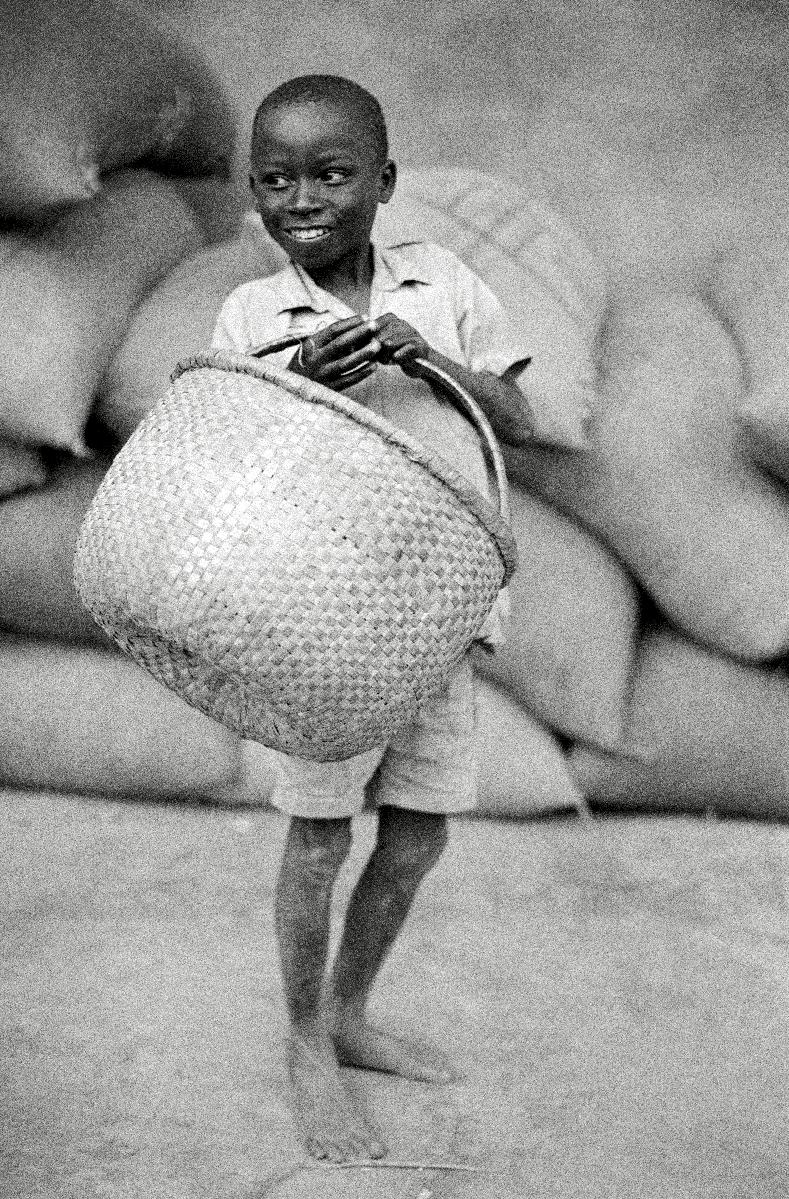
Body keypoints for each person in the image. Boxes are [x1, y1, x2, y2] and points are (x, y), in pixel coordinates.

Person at [212, 73, 535, 1163]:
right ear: (255, 192)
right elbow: (225, 452)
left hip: (439, 606)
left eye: (331, 174)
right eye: (276, 180)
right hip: (325, 621)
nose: (302, 200)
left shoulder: (443, 283)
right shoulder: (254, 316)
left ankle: (349, 1011)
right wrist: (302, 380)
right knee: (318, 834)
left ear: (384, 182)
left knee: (419, 828)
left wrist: (428, 357)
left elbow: (518, 417)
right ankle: (305, 1041)